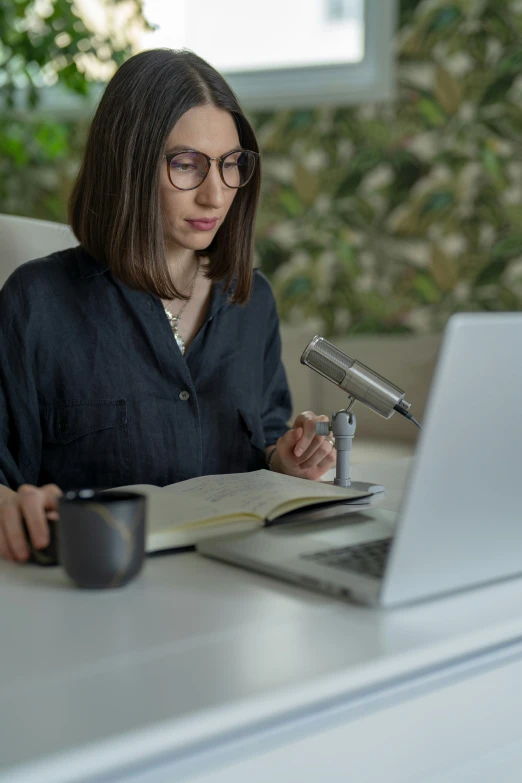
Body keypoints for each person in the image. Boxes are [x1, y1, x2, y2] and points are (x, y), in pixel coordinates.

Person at [0, 48, 336, 563]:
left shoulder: (253, 301)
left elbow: (268, 439)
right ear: (125, 165)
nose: (216, 196)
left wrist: (286, 461)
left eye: (230, 165)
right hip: (97, 602)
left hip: (238, 592)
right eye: (186, 165)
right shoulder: (36, 304)